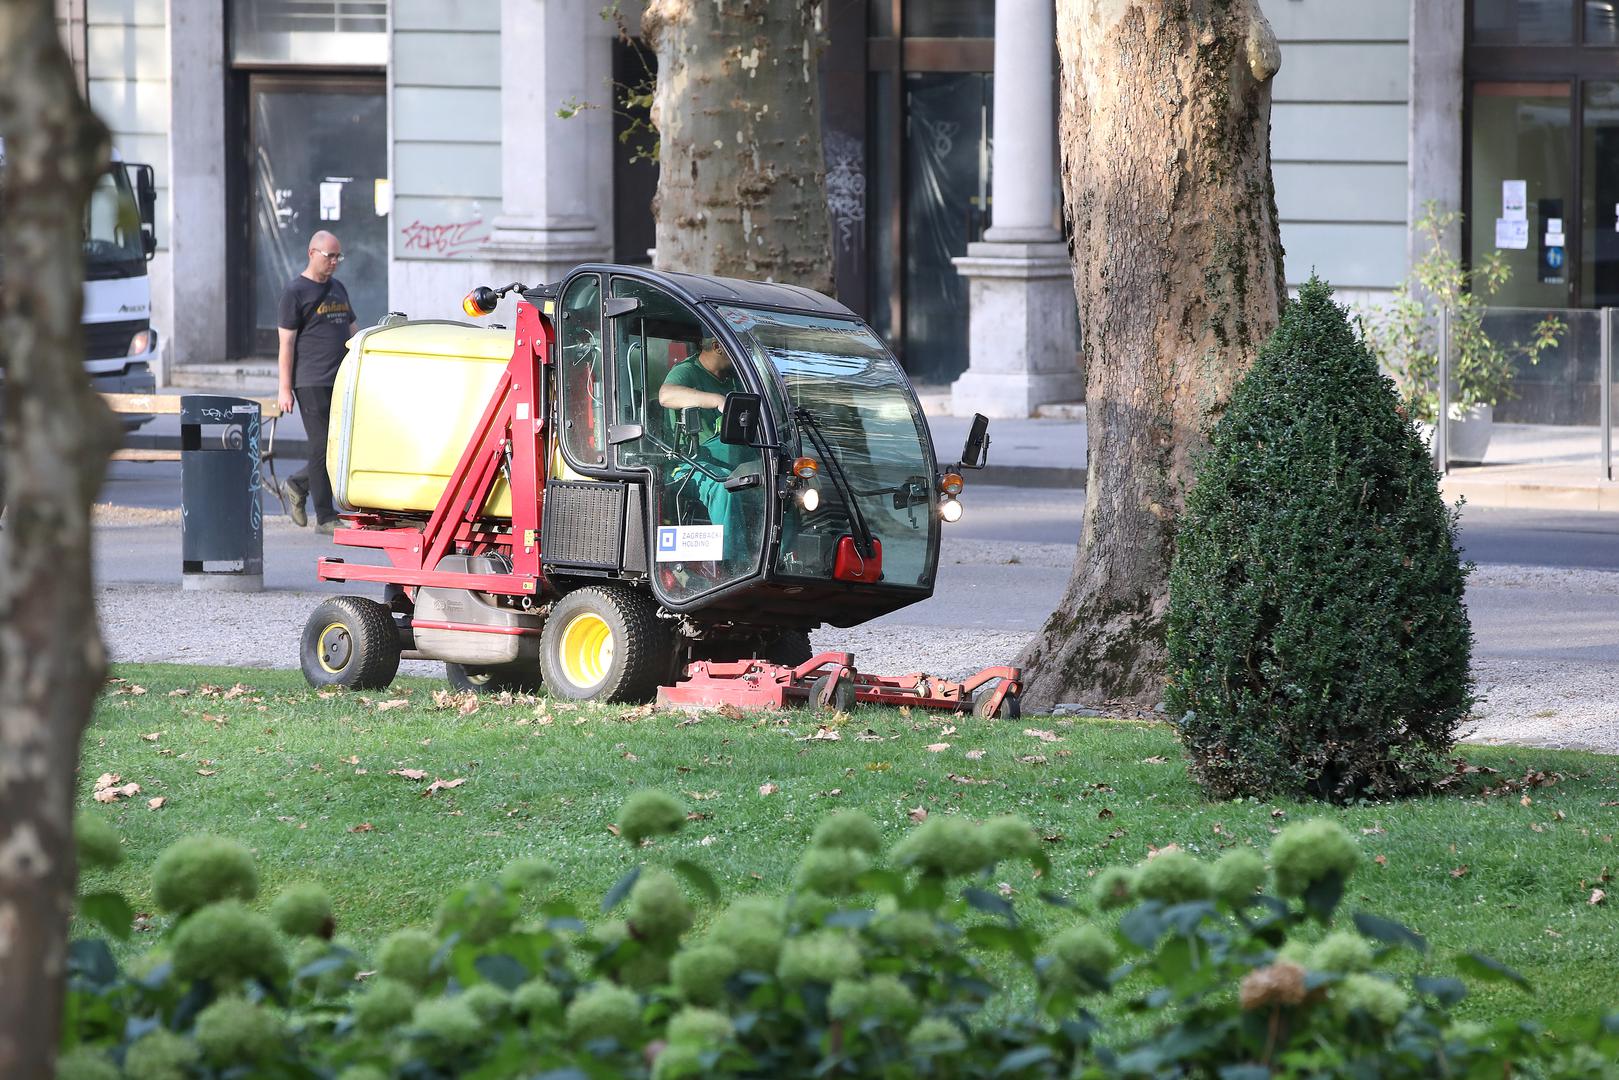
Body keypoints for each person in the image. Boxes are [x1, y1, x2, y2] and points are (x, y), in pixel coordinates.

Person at [276, 230, 356, 534]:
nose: (334, 261)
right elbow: (286, 344)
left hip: (341, 379)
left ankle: (298, 483)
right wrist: (285, 388)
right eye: (329, 256)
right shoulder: (295, 291)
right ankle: (325, 517)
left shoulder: (338, 288)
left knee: (341, 445)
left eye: (338, 256)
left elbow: (353, 329)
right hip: (310, 380)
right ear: (312, 253)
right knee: (322, 445)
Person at [657, 334, 753, 562]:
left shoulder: (736, 378)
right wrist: (718, 400)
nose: (744, 352)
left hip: (738, 460)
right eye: (738, 346)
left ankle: (784, 560)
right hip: (691, 463)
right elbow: (666, 395)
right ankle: (735, 565)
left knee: (785, 484)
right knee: (724, 486)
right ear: (718, 346)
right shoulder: (687, 371)